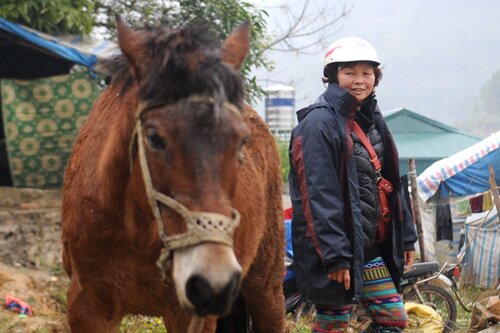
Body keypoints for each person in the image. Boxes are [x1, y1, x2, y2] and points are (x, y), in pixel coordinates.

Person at [288, 37, 418, 333]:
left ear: (376, 77)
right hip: (333, 250)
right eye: (349, 72)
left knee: (393, 319)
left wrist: (406, 237)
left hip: (368, 249)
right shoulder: (319, 124)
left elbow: (392, 183)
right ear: (333, 76)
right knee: (334, 324)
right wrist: (335, 256)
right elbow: (318, 196)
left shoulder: (373, 120)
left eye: (366, 73)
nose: (359, 80)